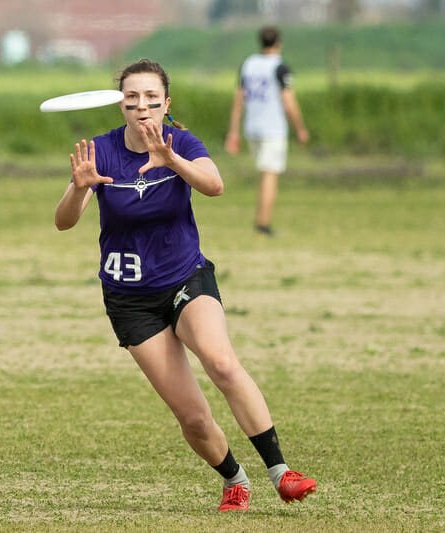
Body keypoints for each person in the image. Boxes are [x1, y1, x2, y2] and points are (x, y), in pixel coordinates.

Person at [54, 59, 316, 511]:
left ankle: (282, 473)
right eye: (132, 99)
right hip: (130, 300)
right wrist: (78, 189)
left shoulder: (181, 142)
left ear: (165, 104)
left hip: (184, 278)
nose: (142, 108)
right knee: (193, 416)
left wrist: (171, 159)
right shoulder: (100, 150)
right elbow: (63, 223)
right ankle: (235, 479)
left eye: (152, 100)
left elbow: (215, 185)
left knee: (222, 363)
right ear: (121, 103)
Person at [224, 26, 309, 236]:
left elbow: (239, 98)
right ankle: (263, 222)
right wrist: (300, 128)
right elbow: (288, 101)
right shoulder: (280, 66)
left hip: (252, 127)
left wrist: (233, 130)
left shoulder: (249, 64)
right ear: (278, 42)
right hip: (273, 128)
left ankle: (261, 219)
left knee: (265, 172)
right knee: (270, 174)